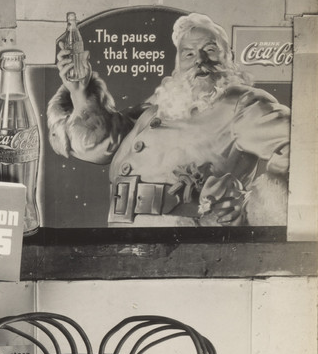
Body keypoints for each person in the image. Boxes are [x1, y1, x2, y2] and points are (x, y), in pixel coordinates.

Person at [46, 12, 291, 227]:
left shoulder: (242, 104)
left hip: (186, 243)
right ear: (178, 62)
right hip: (124, 235)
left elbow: (303, 147)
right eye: (188, 54)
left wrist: (250, 205)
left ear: (229, 57)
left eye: (210, 50)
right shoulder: (164, 103)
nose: (199, 60)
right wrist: (79, 91)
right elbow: (101, 146)